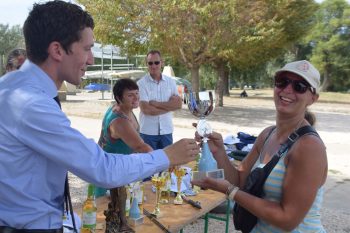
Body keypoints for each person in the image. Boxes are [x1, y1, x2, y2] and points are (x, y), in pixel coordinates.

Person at [0, 1, 199, 231]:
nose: (92, 59)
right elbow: (102, 169)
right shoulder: (29, 103)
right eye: (87, 48)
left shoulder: (12, 87)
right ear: (57, 50)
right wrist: (166, 156)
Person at [192, 60, 328, 232]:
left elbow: (287, 219)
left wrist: (230, 191)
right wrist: (218, 151)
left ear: (313, 98)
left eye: (299, 86)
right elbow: (241, 180)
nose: (287, 90)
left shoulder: (309, 147)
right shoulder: (267, 134)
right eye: (282, 81)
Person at [97, 78, 152, 232]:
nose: (136, 98)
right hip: (108, 177)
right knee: (107, 224)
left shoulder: (125, 110)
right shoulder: (119, 121)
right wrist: (167, 158)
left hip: (120, 174)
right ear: (119, 98)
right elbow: (140, 146)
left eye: (137, 93)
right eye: (130, 95)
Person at [137, 50, 182, 150]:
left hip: (166, 131)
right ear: (146, 64)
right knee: (149, 163)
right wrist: (170, 106)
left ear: (162, 62)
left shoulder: (171, 82)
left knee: (168, 162)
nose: (153, 66)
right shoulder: (141, 84)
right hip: (148, 133)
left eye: (156, 62)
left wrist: (156, 103)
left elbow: (178, 105)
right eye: (150, 63)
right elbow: (147, 110)